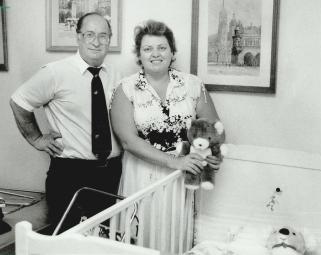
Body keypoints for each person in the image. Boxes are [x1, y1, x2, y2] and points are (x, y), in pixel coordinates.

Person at [110, 20, 225, 252]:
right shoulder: (125, 88)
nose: (155, 54)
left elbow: (213, 128)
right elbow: (128, 141)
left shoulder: (192, 85)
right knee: (141, 237)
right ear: (139, 55)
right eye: (148, 49)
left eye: (162, 48)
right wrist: (176, 162)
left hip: (182, 177)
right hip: (140, 175)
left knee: (174, 236)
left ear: (172, 52)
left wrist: (214, 153)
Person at [9, 12, 122, 232]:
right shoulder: (54, 72)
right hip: (69, 173)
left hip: (110, 173)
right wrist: (35, 138)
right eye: (89, 34)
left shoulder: (116, 75)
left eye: (103, 35)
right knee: (65, 238)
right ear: (78, 37)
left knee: (103, 238)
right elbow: (19, 102)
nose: (96, 42)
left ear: (110, 38)